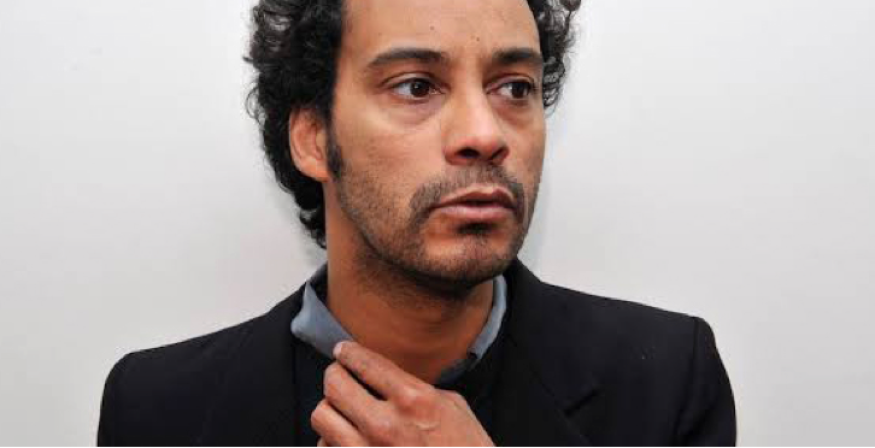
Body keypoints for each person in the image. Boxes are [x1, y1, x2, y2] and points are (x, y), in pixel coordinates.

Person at [97, 0, 736, 445]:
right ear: (314, 138)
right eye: (416, 86)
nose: (485, 133)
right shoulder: (159, 411)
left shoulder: (665, 381)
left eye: (515, 88)